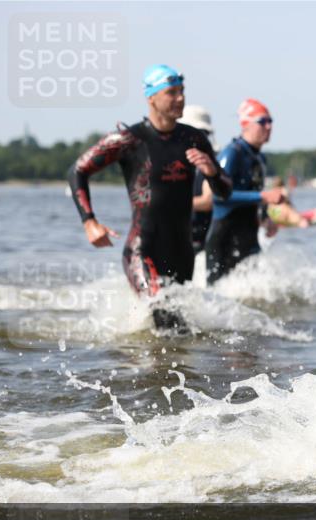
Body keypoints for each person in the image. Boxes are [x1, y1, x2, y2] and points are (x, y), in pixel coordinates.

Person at [68, 65, 232, 328]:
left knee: (178, 327)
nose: (180, 98)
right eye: (171, 92)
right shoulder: (129, 140)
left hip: (182, 250)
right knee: (161, 313)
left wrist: (212, 172)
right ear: (151, 98)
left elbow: (225, 191)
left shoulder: (194, 138)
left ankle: (167, 369)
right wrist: (89, 221)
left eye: (182, 91)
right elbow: (77, 170)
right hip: (142, 249)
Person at [205, 98, 286, 284]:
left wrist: (265, 217)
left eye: (270, 121)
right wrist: (263, 196)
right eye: (262, 121)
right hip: (224, 238)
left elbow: (254, 192)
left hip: (248, 237)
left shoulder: (260, 158)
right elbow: (218, 196)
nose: (268, 126)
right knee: (218, 300)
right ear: (245, 124)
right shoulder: (232, 153)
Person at [180, 105, 218, 254]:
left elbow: (207, 201)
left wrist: (170, 204)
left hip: (199, 240)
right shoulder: (175, 161)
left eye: (201, 134)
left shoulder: (207, 163)